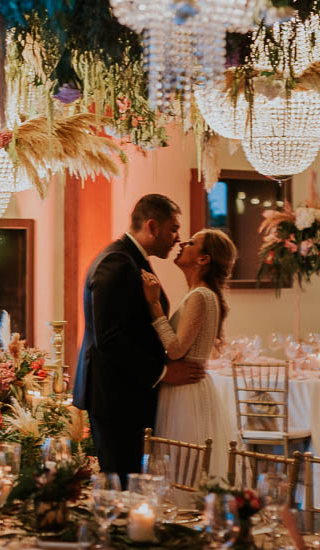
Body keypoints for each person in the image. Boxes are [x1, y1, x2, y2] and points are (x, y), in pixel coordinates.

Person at [71, 194, 205, 480]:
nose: (177, 238)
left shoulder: (130, 258)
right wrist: (163, 371)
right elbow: (111, 339)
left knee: (129, 482)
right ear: (152, 226)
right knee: (121, 482)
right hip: (116, 396)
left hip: (126, 393)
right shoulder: (117, 263)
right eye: (173, 229)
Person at [141, 228, 239, 478]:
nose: (182, 243)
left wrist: (154, 305)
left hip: (185, 392)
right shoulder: (199, 294)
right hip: (186, 387)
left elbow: (175, 350)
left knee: (184, 467)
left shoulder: (201, 296)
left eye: (192, 242)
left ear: (203, 259)